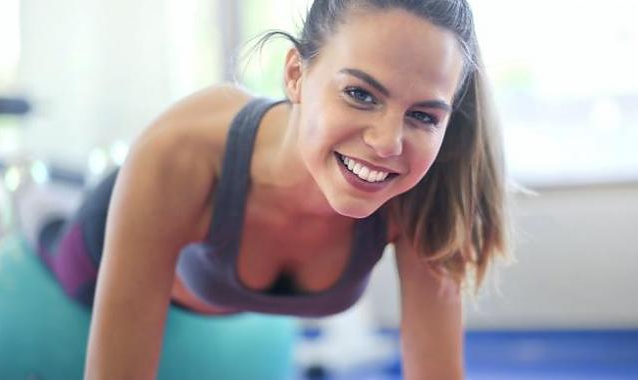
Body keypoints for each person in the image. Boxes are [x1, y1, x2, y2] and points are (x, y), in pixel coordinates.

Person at [31, 0, 511, 378]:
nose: (388, 143)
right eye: (360, 94)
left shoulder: (430, 187)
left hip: (218, 310)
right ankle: (35, 206)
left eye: (424, 116)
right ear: (295, 75)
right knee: (51, 238)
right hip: (94, 253)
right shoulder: (182, 151)